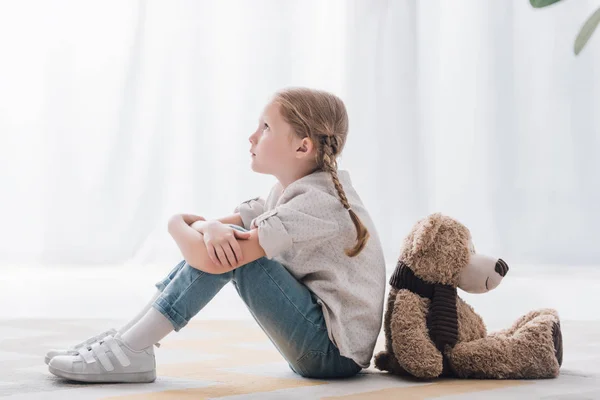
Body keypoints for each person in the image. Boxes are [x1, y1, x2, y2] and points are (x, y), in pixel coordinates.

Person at [46, 87, 386, 383]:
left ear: (303, 147)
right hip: (323, 345)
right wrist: (207, 227)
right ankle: (128, 341)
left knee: (231, 253)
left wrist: (181, 224)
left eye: (265, 128)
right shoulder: (288, 193)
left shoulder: (316, 203)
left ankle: (132, 347)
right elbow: (210, 232)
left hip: (331, 355)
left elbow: (212, 255)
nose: (252, 137)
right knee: (228, 243)